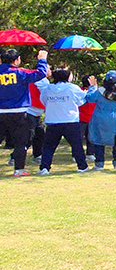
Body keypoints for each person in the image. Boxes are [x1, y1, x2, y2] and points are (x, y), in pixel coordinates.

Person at [0, 48, 49, 177]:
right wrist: (42, 60)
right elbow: (40, 73)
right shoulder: (20, 72)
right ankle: (18, 169)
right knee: (20, 142)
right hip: (19, 112)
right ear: (16, 61)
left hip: (1, 111)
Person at [36, 68, 93, 174]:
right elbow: (83, 100)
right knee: (76, 145)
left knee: (48, 147)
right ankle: (82, 166)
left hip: (52, 121)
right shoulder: (72, 88)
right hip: (70, 120)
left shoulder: (48, 89)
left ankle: (44, 168)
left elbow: (43, 100)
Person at [85, 71, 116, 170]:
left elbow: (89, 98)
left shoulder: (100, 92)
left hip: (101, 120)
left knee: (99, 140)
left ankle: (99, 164)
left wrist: (93, 87)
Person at [26, 79, 46, 165]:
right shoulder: (40, 80)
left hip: (37, 112)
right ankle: (15, 157)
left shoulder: (42, 80)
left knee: (40, 134)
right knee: (28, 136)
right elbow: (46, 93)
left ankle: (38, 155)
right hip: (30, 111)